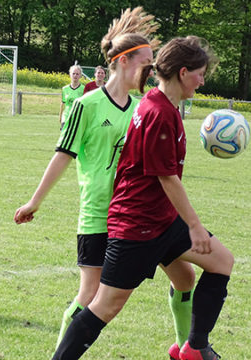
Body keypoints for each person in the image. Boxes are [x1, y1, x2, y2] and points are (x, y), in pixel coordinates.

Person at [14, 8, 195, 359]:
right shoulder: (87, 105)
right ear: (125, 61)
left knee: (185, 278)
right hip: (99, 212)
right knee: (90, 296)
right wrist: (35, 202)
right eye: (147, 62)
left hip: (139, 215)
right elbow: (63, 155)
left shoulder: (143, 107)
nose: (153, 69)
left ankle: (188, 348)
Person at [52, 36, 233, 360]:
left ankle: (195, 347)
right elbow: (167, 178)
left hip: (161, 220)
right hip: (138, 226)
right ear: (182, 72)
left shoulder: (160, 104)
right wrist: (194, 225)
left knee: (220, 262)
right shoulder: (159, 112)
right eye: (200, 73)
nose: (203, 81)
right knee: (105, 305)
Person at [59, 64, 84, 130]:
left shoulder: (83, 89)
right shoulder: (65, 89)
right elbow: (63, 104)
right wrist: (60, 117)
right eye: (73, 73)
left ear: (80, 75)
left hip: (77, 117)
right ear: (70, 74)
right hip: (66, 116)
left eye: (77, 74)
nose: (75, 75)